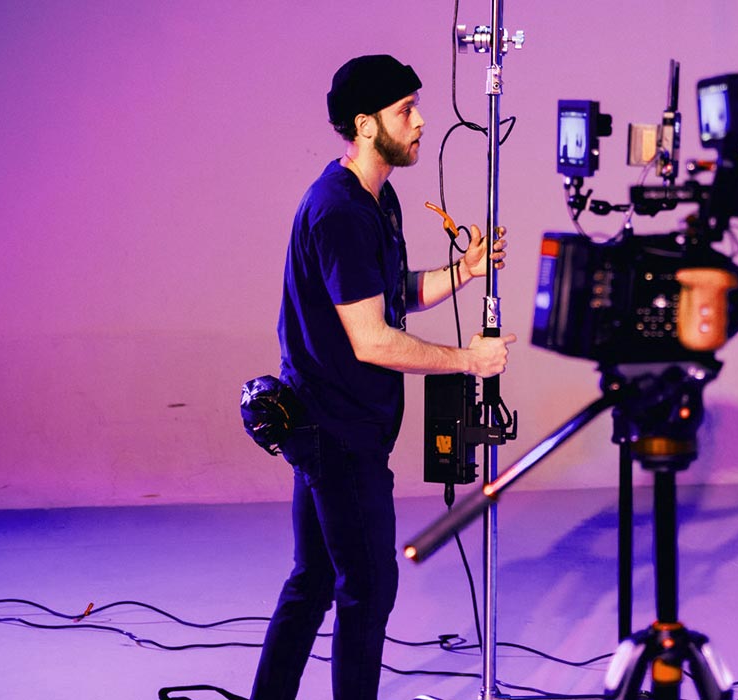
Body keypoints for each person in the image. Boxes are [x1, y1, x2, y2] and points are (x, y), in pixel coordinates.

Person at [251, 54, 515, 700]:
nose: (421, 121)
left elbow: (389, 292)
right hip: (337, 433)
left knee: (313, 580)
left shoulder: (376, 198)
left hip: (335, 427)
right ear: (366, 125)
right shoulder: (337, 212)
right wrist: (466, 360)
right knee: (367, 589)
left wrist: (463, 273)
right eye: (406, 111)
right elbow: (370, 340)